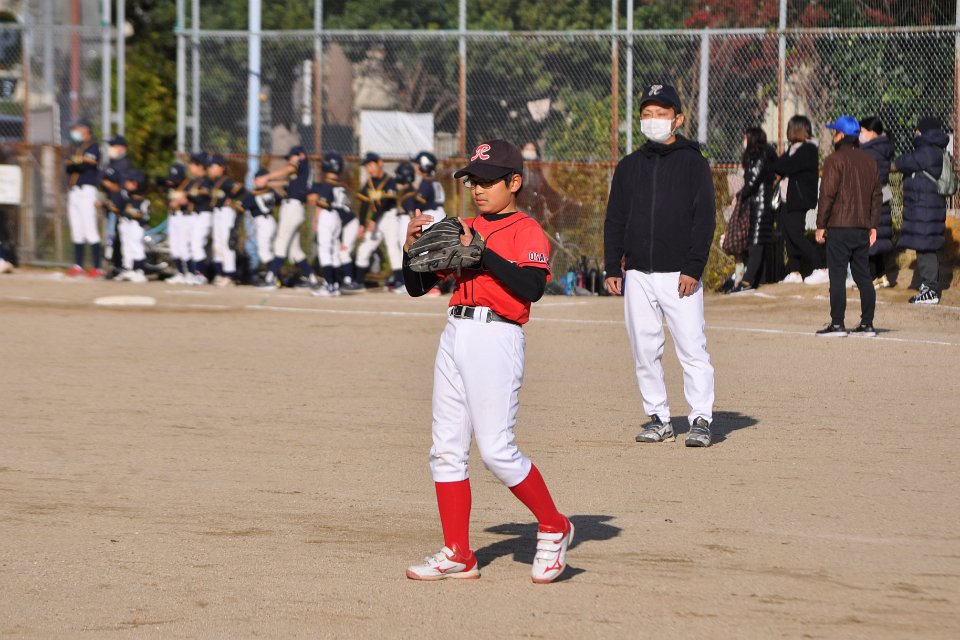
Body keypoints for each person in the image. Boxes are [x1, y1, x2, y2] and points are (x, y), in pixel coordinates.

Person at [402, 139, 573, 584]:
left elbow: (532, 288)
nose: (478, 189)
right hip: (455, 333)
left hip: (497, 335)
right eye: (472, 181)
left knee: (496, 451)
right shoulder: (464, 227)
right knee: (445, 449)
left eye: (488, 180)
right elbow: (417, 288)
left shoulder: (525, 229)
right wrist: (410, 252)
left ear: (514, 182)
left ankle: (554, 525)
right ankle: (458, 553)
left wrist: (483, 252)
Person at [603, 82, 715, 447]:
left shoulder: (693, 162)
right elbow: (615, 219)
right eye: (647, 114)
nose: (653, 119)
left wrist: (694, 267)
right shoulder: (629, 166)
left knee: (692, 348)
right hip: (637, 273)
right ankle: (659, 418)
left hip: (679, 273)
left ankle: (700, 419)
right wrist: (612, 266)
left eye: (661, 113)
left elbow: (704, 219)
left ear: (678, 119)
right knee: (644, 349)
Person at [814, 115, 882, 337]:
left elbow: (827, 195)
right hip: (861, 227)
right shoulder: (869, 161)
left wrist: (821, 225)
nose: (834, 136)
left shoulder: (834, 160)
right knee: (863, 275)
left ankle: (837, 324)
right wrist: (873, 225)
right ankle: (867, 323)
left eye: (835, 132)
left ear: (842, 135)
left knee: (837, 275)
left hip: (839, 226)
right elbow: (877, 195)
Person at [894, 116, 950, 305]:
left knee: (925, 247)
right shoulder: (936, 150)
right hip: (928, 207)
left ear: (923, 131)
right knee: (926, 246)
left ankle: (930, 289)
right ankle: (929, 287)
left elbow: (902, 162)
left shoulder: (926, 151)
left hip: (925, 208)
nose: (915, 132)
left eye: (917, 129)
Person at [770, 115, 829, 285]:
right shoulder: (793, 148)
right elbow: (778, 165)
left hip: (799, 199)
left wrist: (779, 165)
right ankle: (794, 271)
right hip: (787, 199)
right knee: (788, 235)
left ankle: (820, 267)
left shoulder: (808, 149)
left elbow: (784, 166)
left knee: (796, 235)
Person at [255, 146, 318, 289]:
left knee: (280, 243)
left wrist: (266, 177)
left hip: (292, 208)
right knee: (294, 250)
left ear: (301, 155)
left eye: (291, 157)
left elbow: (289, 169)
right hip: (296, 208)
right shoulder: (303, 172)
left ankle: (271, 279)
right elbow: (286, 182)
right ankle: (312, 279)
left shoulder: (301, 163)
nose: (290, 160)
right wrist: (267, 183)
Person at [728, 127, 777, 293]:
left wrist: (739, 195)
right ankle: (759, 279)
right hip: (760, 202)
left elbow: (752, 182)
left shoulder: (759, 157)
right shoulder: (764, 154)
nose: (744, 141)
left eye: (745, 137)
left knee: (756, 241)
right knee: (758, 240)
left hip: (759, 203)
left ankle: (748, 280)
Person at [858, 117, 896, 289]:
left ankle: (872, 277)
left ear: (872, 132)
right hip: (882, 195)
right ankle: (881, 275)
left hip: (870, 198)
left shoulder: (869, 151)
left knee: (869, 238)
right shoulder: (882, 149)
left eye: (862, 131)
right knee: (877, 237)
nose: (860, 135)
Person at [308, 152, 353, 296]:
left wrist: (315, 220)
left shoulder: (327, 184)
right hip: (337, 217)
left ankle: (328, 285)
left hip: (327, 216)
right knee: (334, 251)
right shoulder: (341, 184)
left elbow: (321, 204)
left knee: (325, 251)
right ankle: (335, 285)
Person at [64, 118, 104, 278]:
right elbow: (69, 166)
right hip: (74, 191)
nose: (76, 131)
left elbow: (86, 165)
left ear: (86, 129)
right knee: (76, 229)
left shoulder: (93, 146)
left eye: (78, 128)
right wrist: (76, 162)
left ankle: (98, 267)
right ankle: (78, 265)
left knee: (90, 228)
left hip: (87, 190)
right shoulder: (76, 147)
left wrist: (77, 162)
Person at [354, 152, 399, 289]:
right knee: (364, 248)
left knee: (393, 248)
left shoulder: (389, 181)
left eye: (371, 165)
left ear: (380, 163)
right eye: (367, 166)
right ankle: (358, 282)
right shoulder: (369, 183)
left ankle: (401, 281)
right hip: (377, 218)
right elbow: (364, 205)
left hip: (390, 217)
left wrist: (373, 220)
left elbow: (385, 202)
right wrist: (361, 224)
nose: (369, 169)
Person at [206, 155, 245, 287]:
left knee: (227, 243)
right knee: (217, 244)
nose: (210, 168)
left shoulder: (227, 181)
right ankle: (220, 273)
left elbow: (240, 189)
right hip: (217, 213)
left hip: (226, 213)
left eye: (213, 166)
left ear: (222, 167)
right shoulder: (214, 182)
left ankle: (230, 275)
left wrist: (232, 200)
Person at [243, 168, 279, 284]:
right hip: (270, 221)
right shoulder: (271, 191)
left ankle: (273, 276)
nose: (257, 181)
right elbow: (279, 199)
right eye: (257, 179)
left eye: (260, 179)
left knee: (264, 252)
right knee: (268, 250)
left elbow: (242, 206)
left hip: (263, 222)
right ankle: (273, 276)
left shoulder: (254, 193)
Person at [157, 162, 191, 284]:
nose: (171, 181)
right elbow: (159, 182)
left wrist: (183, 199)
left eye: (174, 179)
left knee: (183, 246)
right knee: (174, 246)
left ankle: (189, 273)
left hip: (184, 217)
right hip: (173, 216)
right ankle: (180, 272)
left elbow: (190, 199)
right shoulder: (172, 186)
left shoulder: (188, 185)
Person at [113, 170, 150, 283]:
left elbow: (143, 215)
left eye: (129, 181)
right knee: (126, 247)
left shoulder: (141, 200)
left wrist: (132, 213)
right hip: (126, 224)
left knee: (136, 246)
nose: (126, 183)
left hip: (136, 225)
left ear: (136, 183)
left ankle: (139, 270)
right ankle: (128, 268)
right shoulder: (127, 197)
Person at [184, 152, 213, 285]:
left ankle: (201, 274)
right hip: (194, 215)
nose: (190, 167)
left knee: (197, 243)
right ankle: (193, 272)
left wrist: (187, 197)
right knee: (191, 244)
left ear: (200, 166)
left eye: (193, 164)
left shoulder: (206, 181)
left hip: (204, 215)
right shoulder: (194, 181)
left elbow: (202, 197)